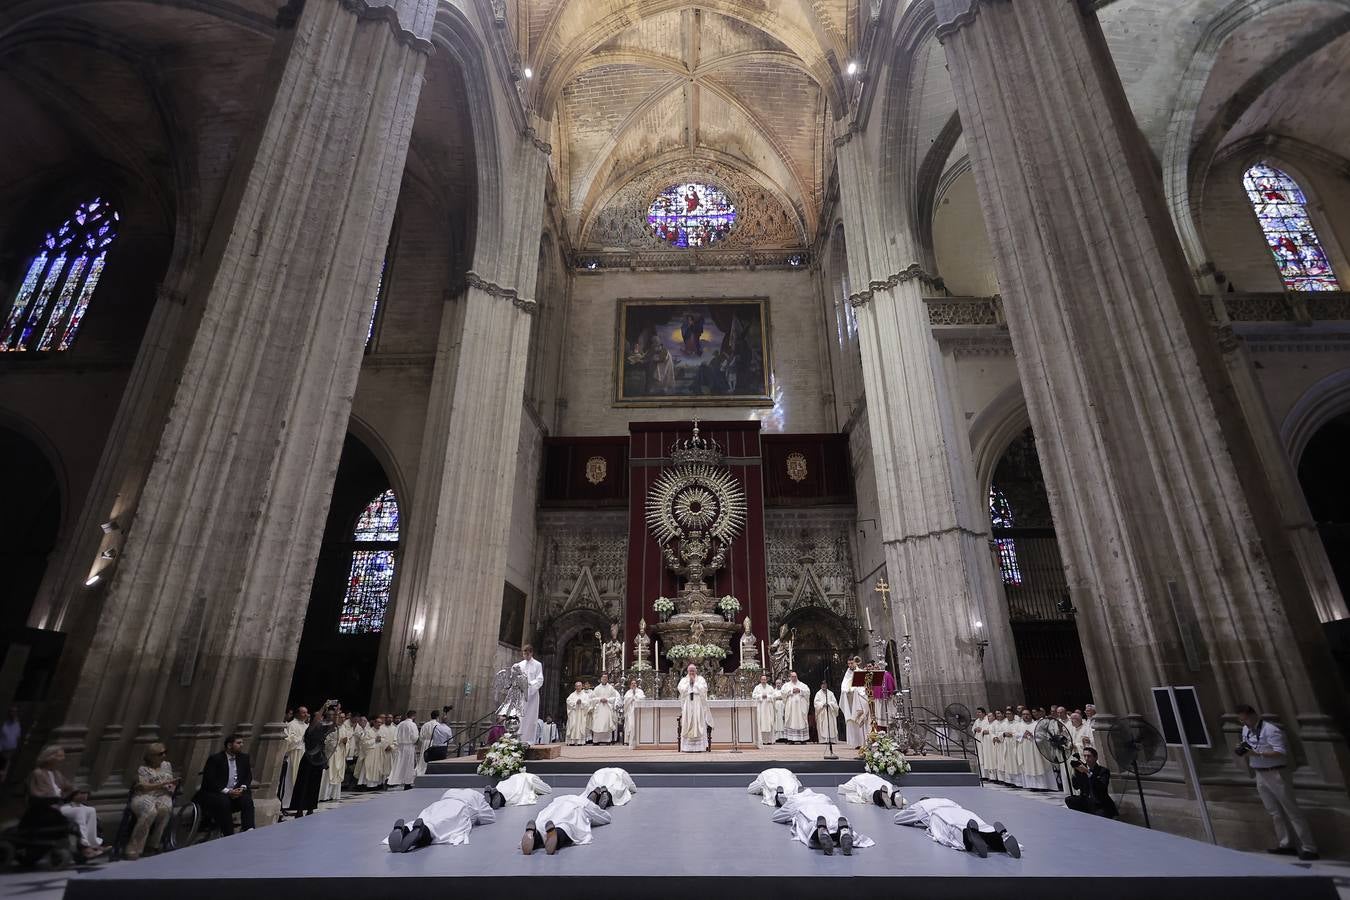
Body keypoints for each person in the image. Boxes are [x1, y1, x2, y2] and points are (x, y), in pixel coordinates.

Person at [1237, 704, 1318, 860]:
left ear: (1253, 715)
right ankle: (1286, 844)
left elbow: (1280, 751)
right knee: (1274, 812)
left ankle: (1309, 847)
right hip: (1259, 773)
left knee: (1291, 810)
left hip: (1276, 772)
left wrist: (1257, 753)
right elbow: (1250, 745)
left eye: (1245, 719)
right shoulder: (1246, 730)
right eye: (1241, 720)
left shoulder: (1270, 729)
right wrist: (1243, 749)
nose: (1244, 723)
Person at [895, 797, 1021, 858]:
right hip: (964, 812)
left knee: (949, 829)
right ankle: (998, 835)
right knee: (983, 826)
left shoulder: (921, 805)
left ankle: (968, 835)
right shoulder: (946, 800)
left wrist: (917, 821)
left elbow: (898, 818)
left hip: (939, 814)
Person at [386, 788, 495, 852]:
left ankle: (405, 829)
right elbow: (489, 817)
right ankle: (423, 834)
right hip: (459, 807)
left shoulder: (451, 790)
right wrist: (476, 816)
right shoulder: (477, 795)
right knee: (440, 825)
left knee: (428, 818)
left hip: (438, 805)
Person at [771, 787, 873, 855]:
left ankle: (821, 829)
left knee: (806, 823)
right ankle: (843, 830)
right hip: (828, 808)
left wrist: (783, 805)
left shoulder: (794, 799)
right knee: (835, 817)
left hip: (806, 808)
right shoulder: (822, 796)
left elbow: (777, 817)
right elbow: (832, 803)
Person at [124, 743, 178, 859]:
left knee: (166, 808)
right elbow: (143, 787)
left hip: (162, 795)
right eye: (160, 754)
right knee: (150, 811)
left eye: (165, 752)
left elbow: (171, 782)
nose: (163, 756)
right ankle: (134, 847)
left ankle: (153, 845)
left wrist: (172, 787)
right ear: (151, 756)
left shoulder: (166, 766)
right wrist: (162, 784)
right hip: (143, 796)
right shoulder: (143, 769)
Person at [521, 791, 612, 855]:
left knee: (541, 828)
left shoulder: (559, 799)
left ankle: (534, 835)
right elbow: (604, 817)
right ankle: (555, 835)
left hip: (551, 811)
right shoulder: (585, 802)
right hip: (572, 811)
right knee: (566, 827)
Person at [199, 734, 255, 836]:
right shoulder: (215, 759)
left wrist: (242, 788)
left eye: (242, 743)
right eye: (238, 743)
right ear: (229, 745)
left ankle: (249, 829)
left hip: (236, 792)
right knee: (223, 802)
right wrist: (228, 791)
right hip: (218, 793)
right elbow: (209, 781)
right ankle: (228, 834)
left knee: (247, 800)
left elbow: (248, 776)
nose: (241, 745)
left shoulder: (244, 758)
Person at [286, 701, 335, 817]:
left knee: (315, 784)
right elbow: (317, 719)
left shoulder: (322, 730)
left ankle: (310, 808)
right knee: (303, 784)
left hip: (317, 759)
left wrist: (336, 711)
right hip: (308, 758)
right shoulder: (310, 729)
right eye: (318, 718)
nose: (321, 719)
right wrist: (323, 707)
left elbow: (333, 726)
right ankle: (299, 809)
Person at [1065, 748, 1117, 818]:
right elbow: (1076, 786)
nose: (1086, 758)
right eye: (1085, 756)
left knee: (1100, 816)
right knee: (1069, 800)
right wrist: (1075, 774)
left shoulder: (1103, 771)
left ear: (1096, 758)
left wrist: (1088, 773)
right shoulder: (1081, 770)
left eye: (1089, 756)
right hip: (1086, 800)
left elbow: (1102, 787)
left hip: (1099, 802)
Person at [1014, 709, 1055, 791]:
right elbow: (1014, 734)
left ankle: (1042, 786)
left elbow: (1043, 735)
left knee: (1038, 765)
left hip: (1036, 749)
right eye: (1024, 714)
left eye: (1027, 714)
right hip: (1024, 749)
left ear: (1031, 715)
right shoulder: (1018, 725)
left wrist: (1033, 735)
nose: (1026, 716)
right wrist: (1023, 735)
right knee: (1027, 766)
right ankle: (1031, 785)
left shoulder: (1036, 724)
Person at [277, 706, 308, 809]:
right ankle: (286, 804)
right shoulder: (291, 725)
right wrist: (301, 739)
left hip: (303, 754)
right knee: (290, 779)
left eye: (306, 713)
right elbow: (288, 741)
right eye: (303, 713)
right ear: (297, 713)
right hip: (293, 754)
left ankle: (297, 803)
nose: (305, 715)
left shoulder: (306, 726)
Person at [514, 645, 544, 747]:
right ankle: (518, 738)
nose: (526, 655)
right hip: (521, 694)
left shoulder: (537, 664)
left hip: (532, 695)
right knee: (519, 716)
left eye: (528, 653)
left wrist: (530, 685)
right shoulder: (519, 665)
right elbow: (516, 678)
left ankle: (529, 740)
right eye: (524, 653)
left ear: (531, 653)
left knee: (531, 717)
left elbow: (539, 679)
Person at [676, 663, 711, 752]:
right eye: (690, 671)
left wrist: (694, 683)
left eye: (693, 671)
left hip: (697, 704)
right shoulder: (684, 680)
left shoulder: (701, 679)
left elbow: (704, 689)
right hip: (688, 704)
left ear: (696, 671)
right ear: (687, 671)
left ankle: (700, 747)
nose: (691, 672)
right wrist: (689, 683)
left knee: (698, 722)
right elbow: (681, 689)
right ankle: (687, 747)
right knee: (688, 722)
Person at [322, 711, 350, 802]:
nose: (342, 719)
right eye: (340, 717)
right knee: (328, 774)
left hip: (340, 754)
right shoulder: (331, 728)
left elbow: (348, 743)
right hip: (331, 754)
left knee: (337, 774)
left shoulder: (344, 729)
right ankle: (324, 795)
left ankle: (333, 795)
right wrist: (339, 741)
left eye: (344, 717)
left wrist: (345, 743)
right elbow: (326, 742)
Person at [840, 658, 868, 748]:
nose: (850, 665)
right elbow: (843, 687)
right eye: (848, 664)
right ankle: (855, 743)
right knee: (851, 721)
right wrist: (847, 690)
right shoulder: (847, 674)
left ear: (856, 663)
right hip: (850, 701)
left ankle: (863, 742)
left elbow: (863, 687)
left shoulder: (861, 673)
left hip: (859, 701)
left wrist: (854, 689)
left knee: (859, 719)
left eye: (851, 663)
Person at [485, 771, 552, 808]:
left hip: (511, 780)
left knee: (505, 788)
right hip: (523, 782)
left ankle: (493, 794)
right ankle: (499, 799)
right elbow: (547, 789)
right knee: (516, 793)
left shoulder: (520, 775)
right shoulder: (533, 778)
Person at [389, 710, 420, 790]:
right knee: (408, 765)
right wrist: (414, 741)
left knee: (399, 763)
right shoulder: (412, 724)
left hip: (400, 746)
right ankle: (407, 783)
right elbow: (414, 737)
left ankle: (396, 780)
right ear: (414, 716)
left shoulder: (400, 724)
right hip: (409, 746)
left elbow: (396, 734)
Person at [837, 772, 904, 808]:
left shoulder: (855, 779)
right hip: (878, 781)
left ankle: (879, 795)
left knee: (868, 792)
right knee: (886, 789)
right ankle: (893, 796)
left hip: (863, 782)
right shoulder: (872, 776)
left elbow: (842, 789)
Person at [590, 674, 620, 744]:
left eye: (606, 678)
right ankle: (596, 740)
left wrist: (607, 699)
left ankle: (607, 740)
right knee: (597, 723)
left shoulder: (611, 688)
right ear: (601, 679)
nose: (604, 679)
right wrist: (600, 699)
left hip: (607, 707)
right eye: (603, 678)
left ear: (607, 679)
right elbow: (593, 699)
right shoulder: (597, 688)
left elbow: (614, 698)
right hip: (599, 708)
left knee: (607, 723)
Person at [358, 715, 386, 789]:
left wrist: (381, 741)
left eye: (381, 723)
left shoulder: (382, 731)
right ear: (374, 723)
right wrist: (374, 740)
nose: (379, 724)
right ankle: (365, 784)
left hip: (379, 753)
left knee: (377, 768)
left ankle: (375, 785)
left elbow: (384, 741)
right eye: (378, 722)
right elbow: (364, 743)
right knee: (368, 768)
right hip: (370, 753)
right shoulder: (369, 731)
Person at [751, 675, 777, 745]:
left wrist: (768, 696)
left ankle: (769, 740)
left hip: (769, 708)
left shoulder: (770, 688)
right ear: (760, 680)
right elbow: (753, 695)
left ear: (766, 680)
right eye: (762, 679)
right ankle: (761, 740)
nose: (763, 681)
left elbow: (774, 696)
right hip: (761, 707)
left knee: (769, 722)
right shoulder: (757, 687)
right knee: (761, 722)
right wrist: (761, 696)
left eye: (765, 679)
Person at [622, 679, 645, 748]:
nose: (634, 685)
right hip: (630, 712)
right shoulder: (628, 692)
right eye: (632, 683)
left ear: (637, 684)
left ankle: (639, 739)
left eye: (635, 683)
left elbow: (643, 698)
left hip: (638, 712)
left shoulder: (640, 691)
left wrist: (635, 697)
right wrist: (632, 697)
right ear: (630, 685)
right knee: (631, 725)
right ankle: (629, 741)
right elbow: (625, 701)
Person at [0, 705, 21, 783]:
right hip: (1, 749)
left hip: (10, 750)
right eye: (11, 711)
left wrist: (15, 748)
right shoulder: (3, 724)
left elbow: (17, 737)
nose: (13, 713)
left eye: (15, 712)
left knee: (5, 768)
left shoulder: (17, 725)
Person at [377, 713, 398, 785]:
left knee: (390, 767)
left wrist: (391, 746)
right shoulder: (381, 727)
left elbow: (397, 739)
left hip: (391, 751)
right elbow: (379, 738)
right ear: (385, 719)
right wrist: (385, 746)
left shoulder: (395, 728)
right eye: (388, 718)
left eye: (391, 718)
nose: (390, 719)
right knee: (381, 766)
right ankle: (380, 783)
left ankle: (389, 782)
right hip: (382, 750)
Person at [565, 682, 589, 746]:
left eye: (579, 686)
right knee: (572, 726)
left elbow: (587, 704)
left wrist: (581, 702)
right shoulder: (572, 695)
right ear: (575, 687)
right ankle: (571, 741)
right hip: (574, 713)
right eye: (577, 686)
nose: (578, 687)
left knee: (580, 726)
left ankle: (580, 741)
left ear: (582, 687)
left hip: (581, 713)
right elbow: (568, 701)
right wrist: (575, 702)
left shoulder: (585, 695)